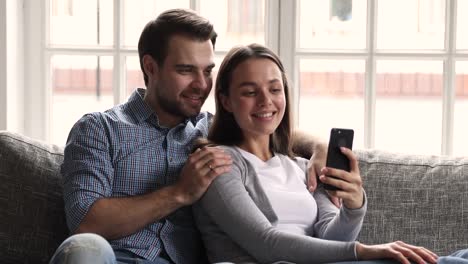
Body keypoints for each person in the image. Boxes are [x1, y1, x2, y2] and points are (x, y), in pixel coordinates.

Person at [49, 9, 328, 264]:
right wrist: (179, 193)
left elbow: (267, 122)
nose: (201, 84)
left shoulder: (212, 130)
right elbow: (85, 220)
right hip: (114, 258)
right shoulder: (100, 129)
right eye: (185, 70)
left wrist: (319, 147)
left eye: (207, 71)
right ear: (150, 67)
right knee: (85, 247)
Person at [192, 43, 468, 264]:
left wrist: (354, 206)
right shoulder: (218, 164)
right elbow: (267, 244)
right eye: (250, 92)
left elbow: (331, 239)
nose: (266, 101)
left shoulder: (302, 167)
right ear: (226, 101)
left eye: (275, 89)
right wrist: (364, 250)